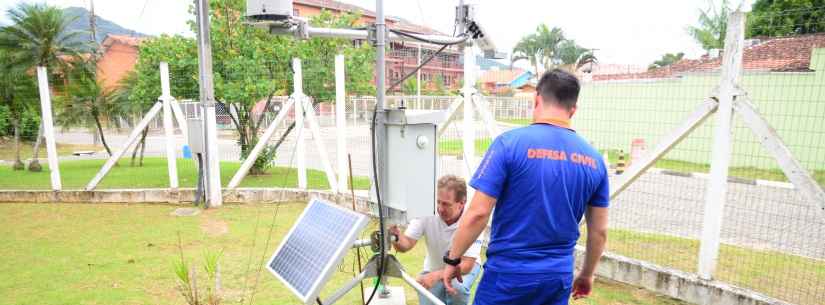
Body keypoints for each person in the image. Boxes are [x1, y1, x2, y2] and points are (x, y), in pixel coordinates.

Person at [441, 69, 610, 305]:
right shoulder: (595, 160)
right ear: (573, 109)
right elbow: (599, 232)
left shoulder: (508, 145)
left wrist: (453, 259)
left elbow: (478, 213)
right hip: (557, 277)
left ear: (537, 99)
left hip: (509, 276)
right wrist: (587, 274)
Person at [389, 175, 483, 305]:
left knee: (457, 289)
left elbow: (467, 265)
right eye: (438, 201)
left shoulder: (473, 219)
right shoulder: (426, 211)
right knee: (427, 295)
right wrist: (396, 237)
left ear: (461, 204)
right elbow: (406, 244)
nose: (440, 208)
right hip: (434, 266)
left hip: (462, 268)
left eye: (446, 204)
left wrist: (435, 276)